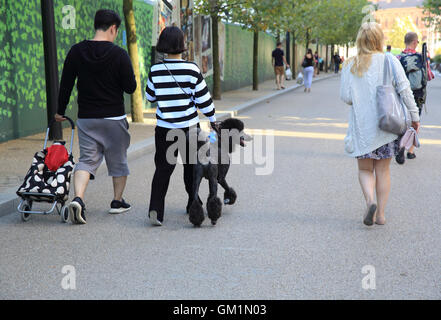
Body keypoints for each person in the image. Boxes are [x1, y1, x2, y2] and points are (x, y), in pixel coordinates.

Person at [55, 9, 137, 224]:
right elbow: (130, 87)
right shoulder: (119, 54)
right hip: (113, 118)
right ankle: (117, 202)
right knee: (118, 160)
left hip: (87, 118)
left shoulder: (76, 51)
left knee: (86, 160)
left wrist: (60, 111)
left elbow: (66, 84)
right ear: (113, 28)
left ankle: (78, 199)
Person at [340, 22, 420, 226]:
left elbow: (346, 97)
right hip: (387, 125)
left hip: (362, 128)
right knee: (383, 171)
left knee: (365, 170)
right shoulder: (389, 60)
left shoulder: (350, 64)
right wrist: (414, 117)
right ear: (379, 39)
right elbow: (405, 89)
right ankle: (381, 215)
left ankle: (369, 202)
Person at [145, 26, 217, 226]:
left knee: (163, 169)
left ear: (163, 45)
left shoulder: (155, 69)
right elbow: (204, 100)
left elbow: (150, 96)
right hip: (189, 128)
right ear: (182, 45)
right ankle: (192, 202)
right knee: (191, 167)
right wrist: (212, 119)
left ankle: (155, 210)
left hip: (164, 128)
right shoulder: (192, 69)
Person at [396, 32, 431, 162]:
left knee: (402, 120)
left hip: (402, 94)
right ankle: (411, 151)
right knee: (415, 121)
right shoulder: (421, 57)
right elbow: (429, 76)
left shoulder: (398, 58)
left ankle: (400, 146)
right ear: (415, 42)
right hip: (418, 94)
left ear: (405, 41)